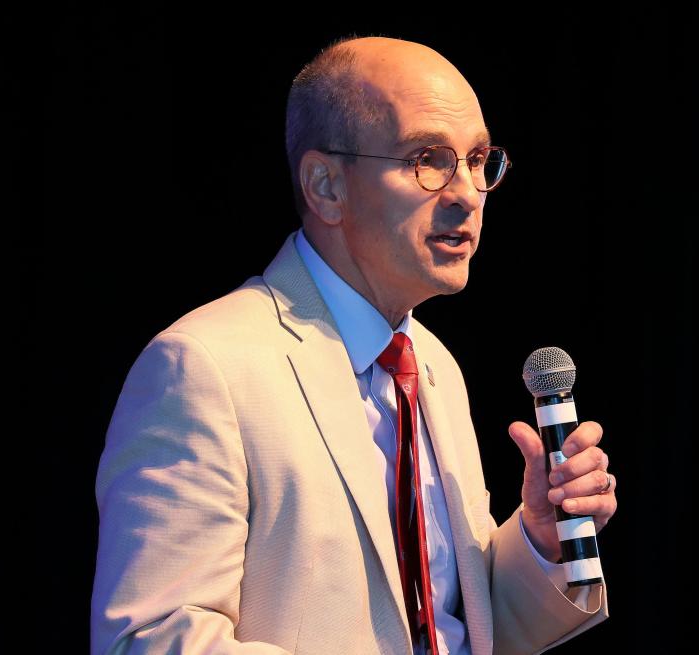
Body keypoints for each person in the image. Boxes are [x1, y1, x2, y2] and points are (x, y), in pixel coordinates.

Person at [91, 35, 618, 654]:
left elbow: (440, 628)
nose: (466, 193)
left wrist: (537, 542)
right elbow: (147, 638)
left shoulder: (434, 368)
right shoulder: (204, 366)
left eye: (478, 161)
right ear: (325, 185)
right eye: (428, 158)